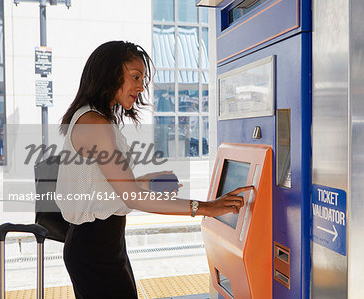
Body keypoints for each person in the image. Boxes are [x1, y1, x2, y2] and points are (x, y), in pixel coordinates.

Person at [55, 41, 251, 299]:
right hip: (95, 247)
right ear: (109, 73)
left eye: (142, 79)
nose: (141, 86)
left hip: (102, 243)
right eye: (135, 76)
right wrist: (207, 207)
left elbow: (106, 186)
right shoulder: (94, 122)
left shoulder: (93, 118)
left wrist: (146, 182)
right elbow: (131, 197)